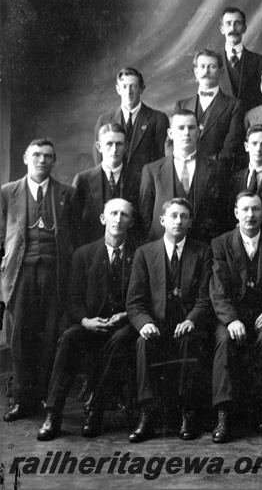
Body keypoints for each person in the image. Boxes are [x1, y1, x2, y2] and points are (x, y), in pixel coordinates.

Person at [36, 198, 138, 440]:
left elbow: (145, 297)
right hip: (90, 323)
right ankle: (53, 414)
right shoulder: (84, 254)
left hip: (124, 324)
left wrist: (124, 315)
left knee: (119, 341)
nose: (118, 219)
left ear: (131, 222)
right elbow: (72, 298)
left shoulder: (140, 254)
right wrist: (85, 321)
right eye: (113, 213)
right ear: (103, 218)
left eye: (124, 215)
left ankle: (96, 410)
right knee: (69, 338)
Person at [126, 198, 213, 443]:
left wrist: (192, 319)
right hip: (157, 323)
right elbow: (134, 301)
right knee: (143, 343)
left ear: (190, 222)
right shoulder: (145, 253)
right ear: (162, 220)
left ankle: (188, 412)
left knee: (189, 339)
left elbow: (205, 298)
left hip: (187, 322)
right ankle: (147, 414)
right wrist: (144, 323)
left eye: (184, 216)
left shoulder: (202, 251)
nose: (178, 221)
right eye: (173, 216)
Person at [1, 139, 75, 422]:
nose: (41, 160)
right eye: (36, 155)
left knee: (49, 335)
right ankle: (22, 399)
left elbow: (74, 237)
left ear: (54, 161)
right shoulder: (8, 193)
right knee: (19, 337)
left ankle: (46, 396)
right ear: (25, 158)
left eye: (47, 156)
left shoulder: (66, 193)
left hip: (55, 274)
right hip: (21, 274)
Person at [209, 192, 262, 443]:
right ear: (236, 213)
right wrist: (231, 320)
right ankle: (223, 415)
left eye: (256, 209)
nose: (251, 215)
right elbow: (217, 290)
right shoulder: (220, 243)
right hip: (232, 315)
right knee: (225, 342)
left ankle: (256, 407)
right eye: (245, 210)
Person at [139, 110, 224, 244]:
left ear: (199, 131)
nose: (186, 133)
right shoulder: (152, 170)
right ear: (170, 133)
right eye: (181, 128)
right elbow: (145, 215)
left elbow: (221, 214)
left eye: (191, 127)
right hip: (162, 247)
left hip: (203, 248)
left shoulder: (216, 169)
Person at [92, 67, 169, 182]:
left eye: (133, 86)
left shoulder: (158, 119)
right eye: (124, 87)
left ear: (142, 89)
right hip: (114, 185)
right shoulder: (104, 120)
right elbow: (99, 158)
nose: (128, 92)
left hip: (145, 186)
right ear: (118, 89)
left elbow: (162, 159)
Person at [73, 123, 141, 247]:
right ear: (99, 146)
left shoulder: (138, 179)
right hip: (91, 252)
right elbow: (73, 223)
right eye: (109, 144)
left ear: (126, 146)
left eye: (119, 144)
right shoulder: (83, 180)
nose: (114, 150)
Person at [174, 49, 245, 167]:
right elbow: (170, 143)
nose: (206, 71)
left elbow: (230, 148)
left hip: (216, 172)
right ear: (196, 72)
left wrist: (203, 166)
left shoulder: (234, 106)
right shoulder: (182, 105)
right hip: (183, 170)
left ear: (221, 72)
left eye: (212, 67)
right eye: (202, 67)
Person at [218, 7, 262, 112]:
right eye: (228, 23)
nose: (233, 28)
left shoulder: (259, 60)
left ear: (244, 28)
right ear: (222, 29)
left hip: (250, 123)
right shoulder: (213, 60)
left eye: (237, 23)